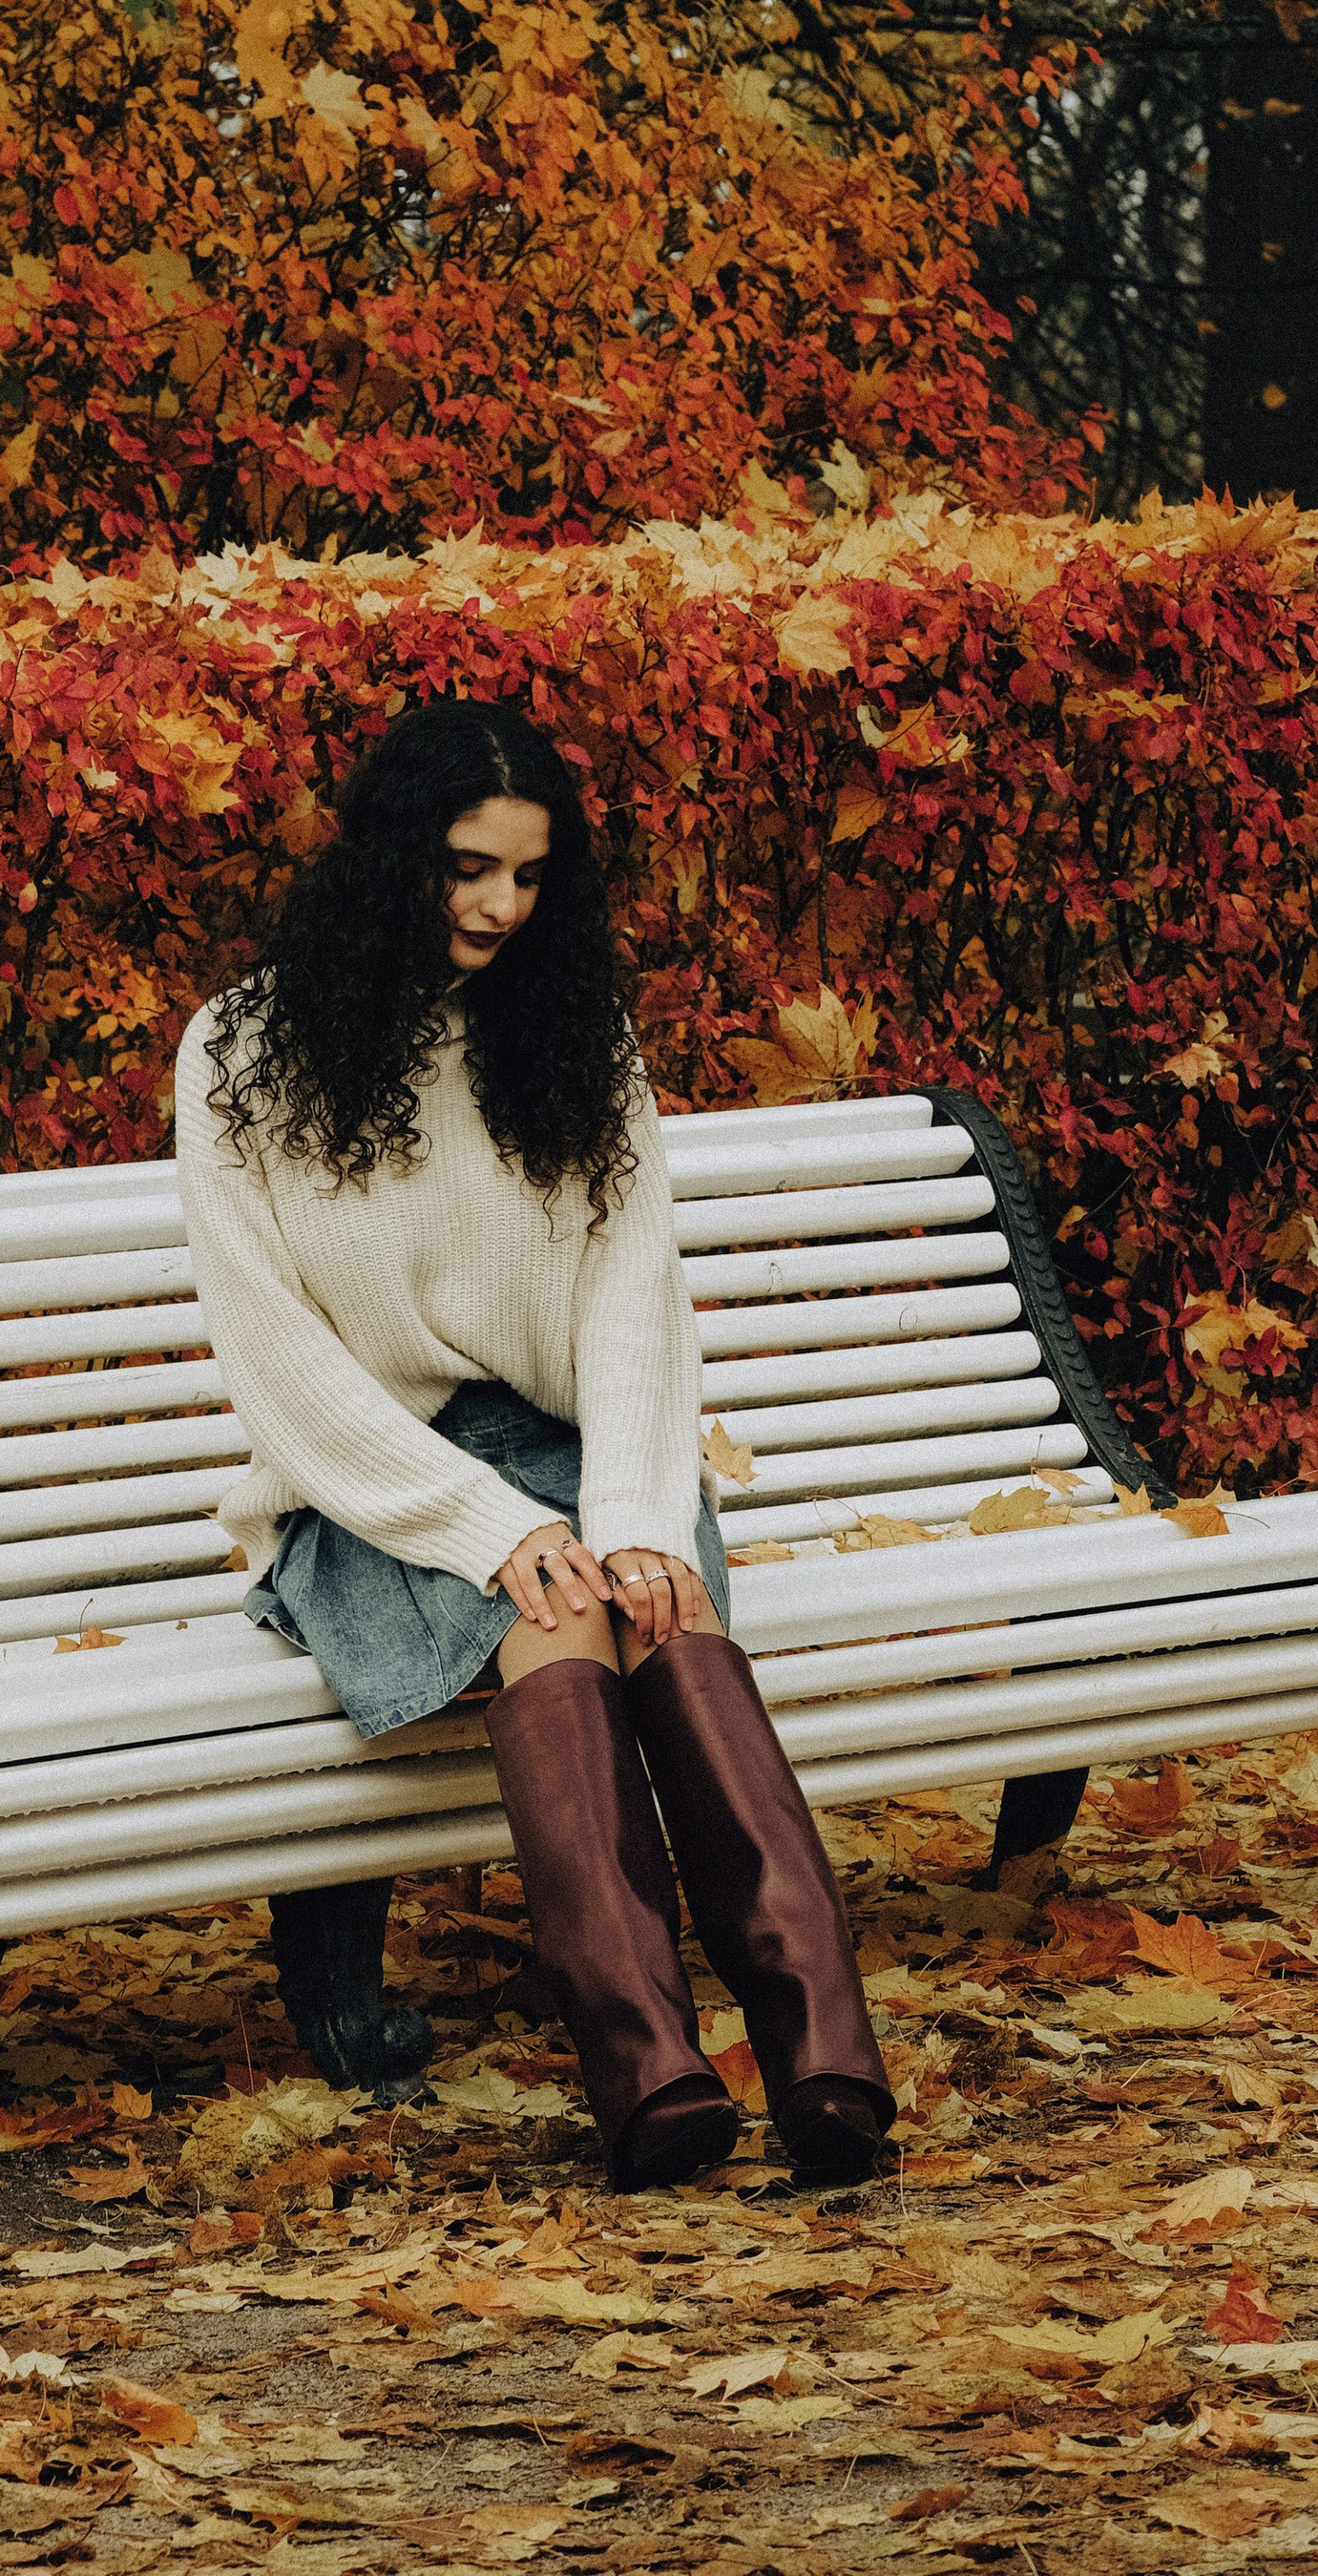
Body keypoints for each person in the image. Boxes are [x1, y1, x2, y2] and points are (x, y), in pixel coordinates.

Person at [173, 700, 893, 2189]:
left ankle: (825, 2058)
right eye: (467, 868)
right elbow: (280, 1361)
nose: (503, 906)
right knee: (558, 1617)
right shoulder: (240, 1053)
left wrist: (636, 1511)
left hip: (583, 1446)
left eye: (529, 874)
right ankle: (652, 2077)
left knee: (659, 1603)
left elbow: (635, 1292)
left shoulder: (570, 1033)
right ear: (391, 857)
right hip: (371, 1481)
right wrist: (488, 1525)